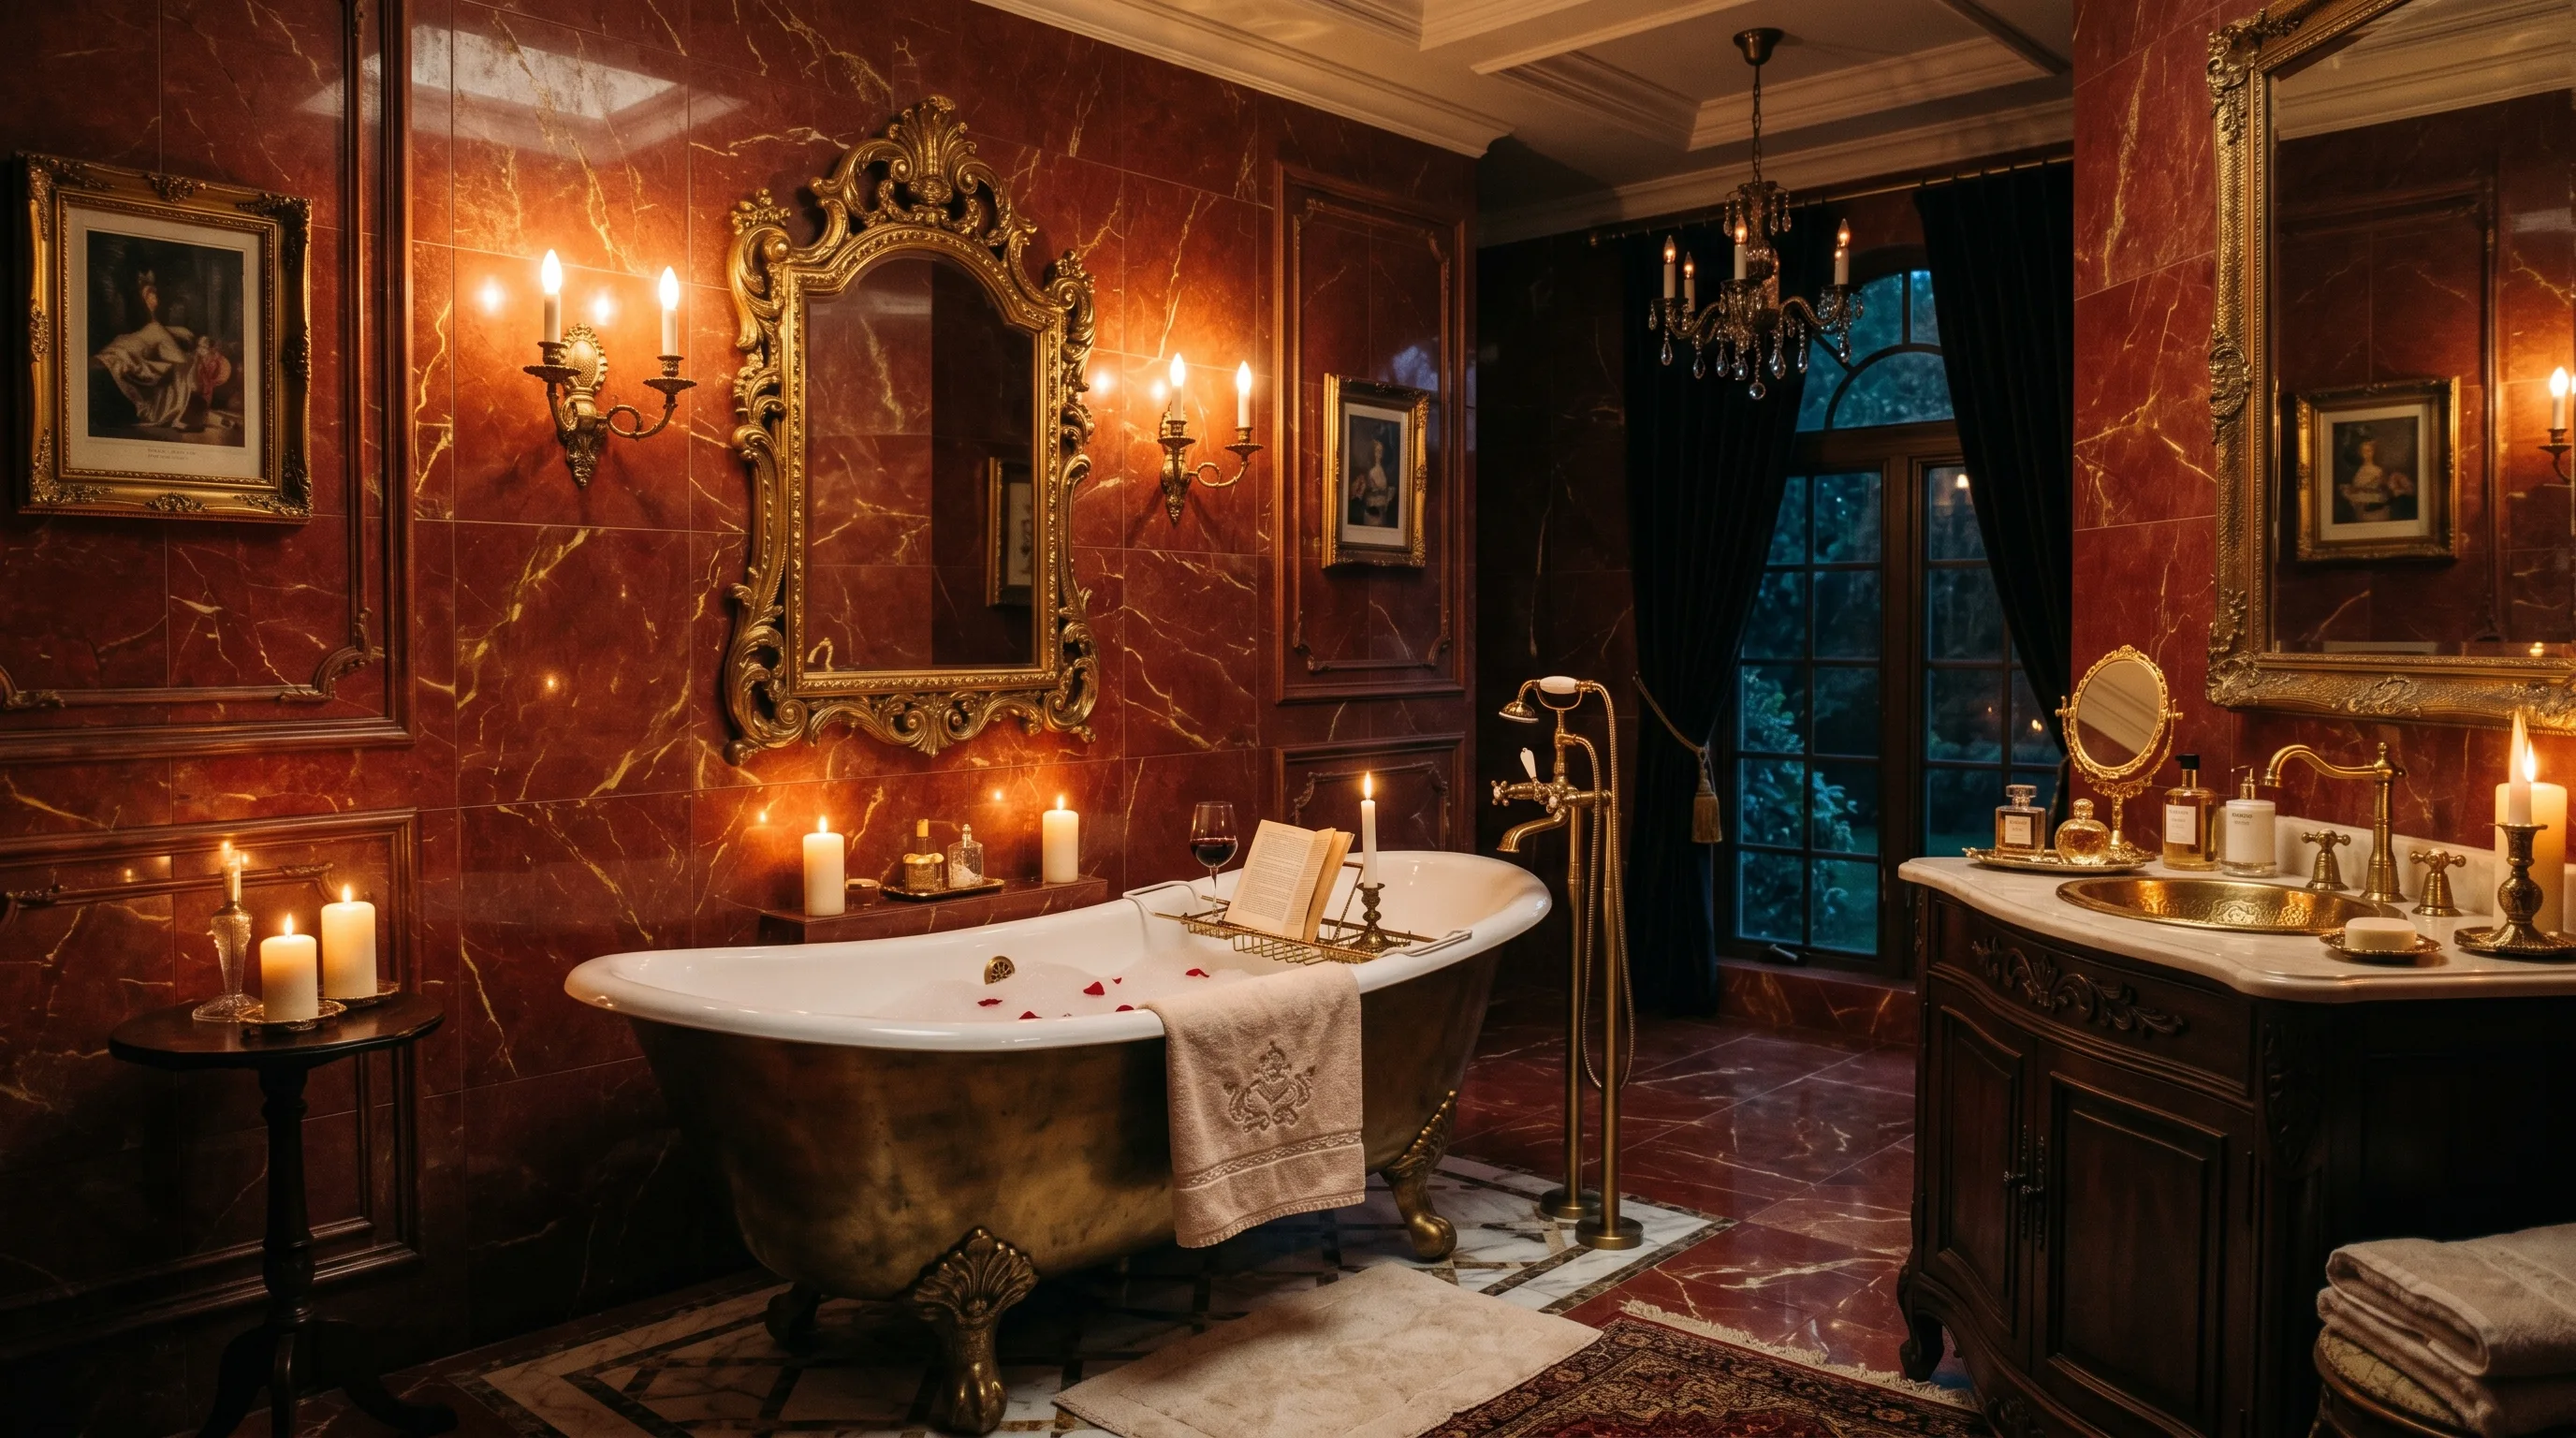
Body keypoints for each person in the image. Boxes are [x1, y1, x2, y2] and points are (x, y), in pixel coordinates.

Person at [92, 270, 202, 432]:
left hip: (105, 367)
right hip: (109, 372)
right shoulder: (157, 331)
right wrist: (194, 355)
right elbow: (182, 362)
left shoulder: (149, 332)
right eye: (151, 295)